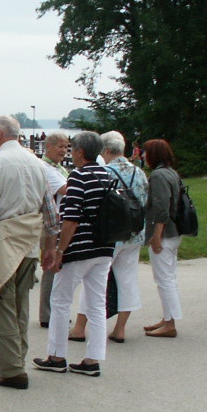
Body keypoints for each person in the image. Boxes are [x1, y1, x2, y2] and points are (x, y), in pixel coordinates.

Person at [0, 115, 57, 391]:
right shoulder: (38, 164)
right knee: (21, 301)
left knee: (2, 302)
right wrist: (51, 245)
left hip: (3, 241)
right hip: (29, 241)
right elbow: (51, 211)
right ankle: (14, 357)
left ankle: (11, 369)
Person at [34, 131, 113, 376]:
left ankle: (57, 355)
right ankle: (93, 359)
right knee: (97, 304)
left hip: (79, 248)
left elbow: (71, 219)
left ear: (79, 152)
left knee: (60, 300)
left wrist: (59, 250)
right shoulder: (106, 175)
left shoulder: (79, 177)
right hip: (104, 248)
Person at [71, 131, 146, 344]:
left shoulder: (104, 171)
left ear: (104, 150)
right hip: (134, 233)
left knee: (94, 281)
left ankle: (79, 327)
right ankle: (120, 329)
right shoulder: (139, 172)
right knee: (127, 279)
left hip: (109, 235)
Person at [142, 139, 183, 339]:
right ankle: (167, 317)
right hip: (175, 231)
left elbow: (161, 207)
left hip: (164, 233)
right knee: (169, 277)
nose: (142, 156)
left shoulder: (158, 176)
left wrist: (156, 235)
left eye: (145, 152)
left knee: (164, 278)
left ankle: (170, 323)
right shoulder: (172, 173)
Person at [38, 131, 70, 328]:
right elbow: (66, 190)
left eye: (66, 147)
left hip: (60, 222)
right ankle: (47, 315)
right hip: (52, 224)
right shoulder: (46, 168)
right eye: (60, 147)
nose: (64, 151)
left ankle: (55, 312)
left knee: (58, 268)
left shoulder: (57, 167)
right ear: (48, 147)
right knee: (51, 268)